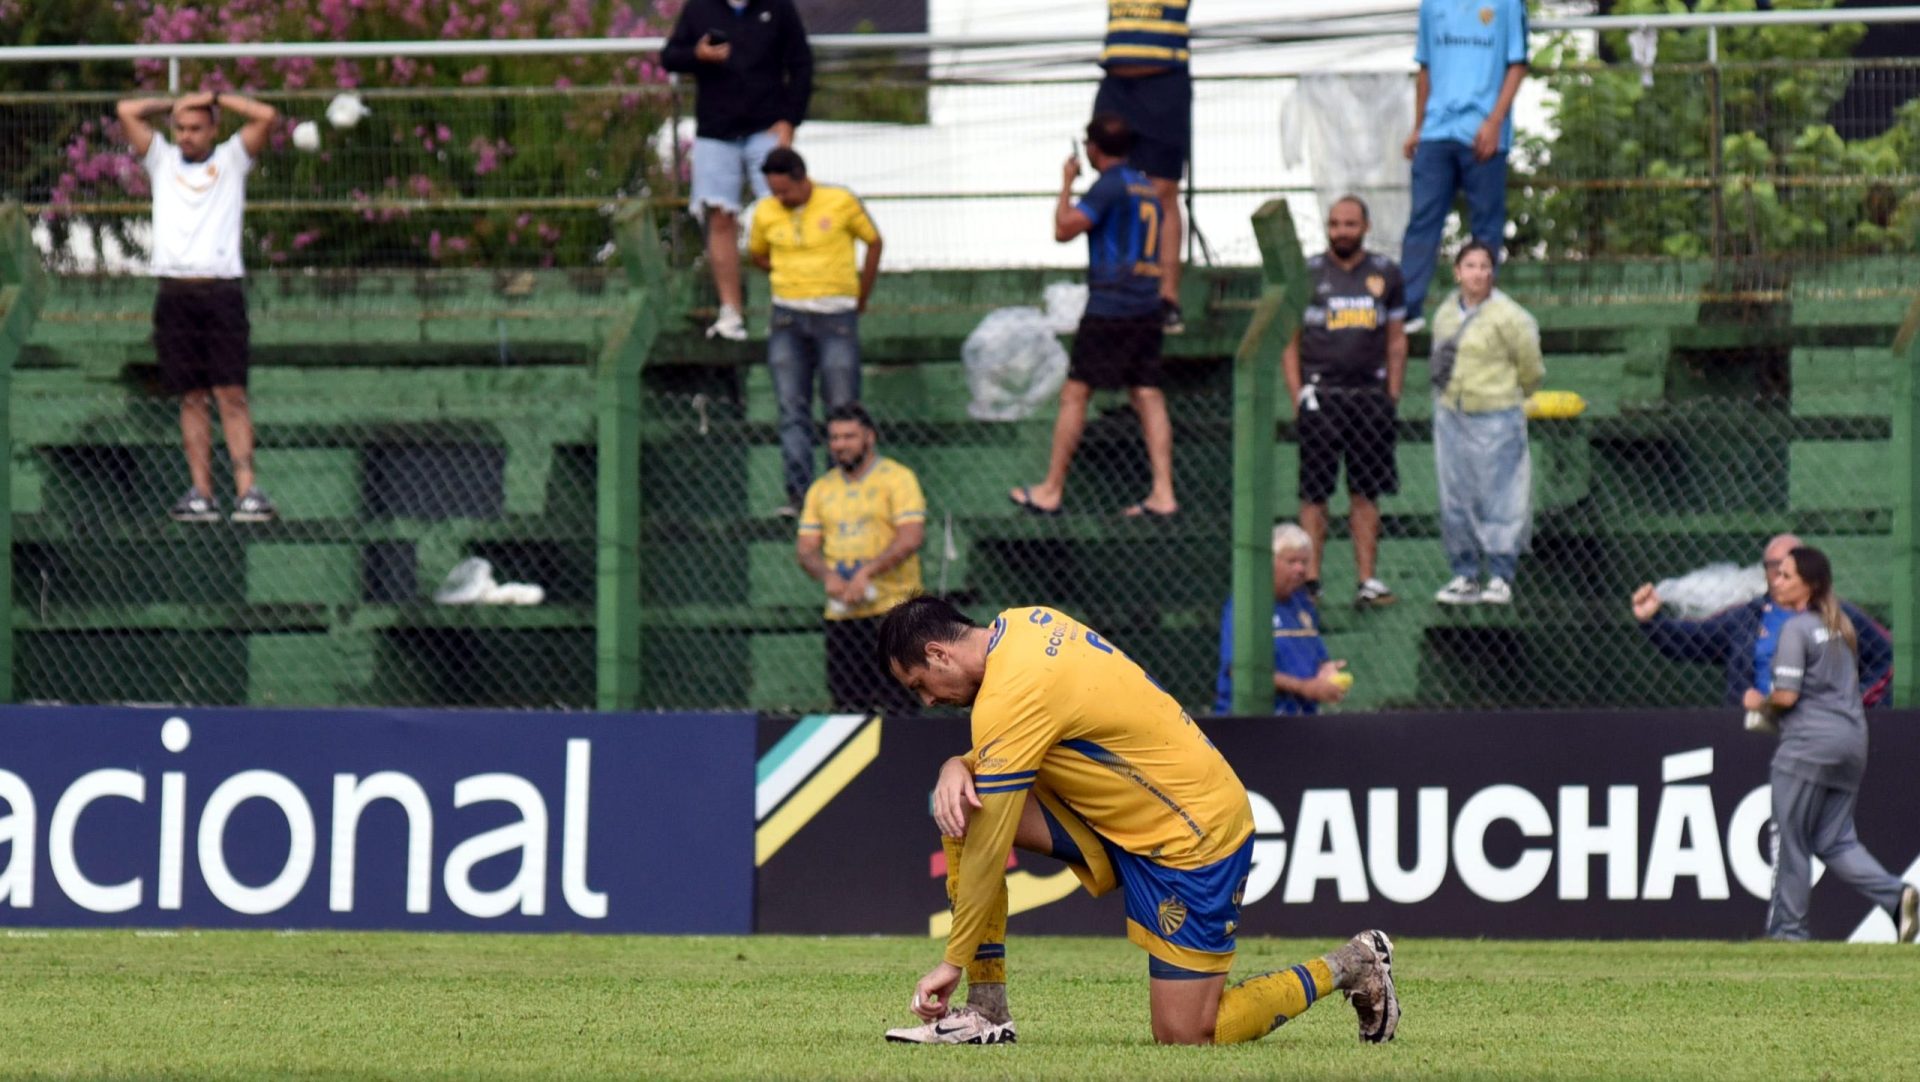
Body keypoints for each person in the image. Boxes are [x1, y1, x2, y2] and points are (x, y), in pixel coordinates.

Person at [874, 596, 1399, 1046]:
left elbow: (991, 845)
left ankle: (1354, 964)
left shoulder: (1012, 690)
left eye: (921, 685)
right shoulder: (1026, 623)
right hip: (1121, 819)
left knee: (1188, 1034)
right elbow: (1025, 732)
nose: (929, 701)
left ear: (938, 654)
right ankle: (986, 1013)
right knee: (964, 807)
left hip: (1193, 835)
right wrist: (957, 764)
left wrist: (953, 960)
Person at [115, 89, 280, 524]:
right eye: (181, 128)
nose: (186, 136)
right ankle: (201, 494)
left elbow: (266, 116)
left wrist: (217, 96)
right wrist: (173, 101)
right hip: (175, 293)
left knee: (231, 393)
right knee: (191, 396)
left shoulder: (230, 160)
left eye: (196, 128)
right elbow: (127, 110)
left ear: (213, 129)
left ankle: (247, 492)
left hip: (221, 291)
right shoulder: (162, 161)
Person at [1740, 547, 1918, 943]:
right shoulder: (1841, 626)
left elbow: (1786, 696)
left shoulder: (1797, 628)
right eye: (1777, 573)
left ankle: (1789, 932)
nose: (1776, 581)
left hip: (1807, 747)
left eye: (1786, 575)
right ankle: (1896, 896)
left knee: (1791, 840)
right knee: (1835, 840)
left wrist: (1758, 702)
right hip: (1851, 744)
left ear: (1810, 585)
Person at [1008, 113, 1177, 519]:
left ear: (1093, 148)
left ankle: (1051, 488)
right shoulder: (1145, 186)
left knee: (1076, 393)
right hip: (1147, 305)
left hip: (1111, 306)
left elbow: (1064, 229)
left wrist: (1067, 182)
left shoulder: (1109, 186)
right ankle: (1164, 492)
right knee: (1147, 393)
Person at [661, 0, 814, 342]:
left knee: (781, 214)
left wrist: (790, 120)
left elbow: (802, 64)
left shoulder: (778, 7)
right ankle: (731, 312)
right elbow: (670, 57)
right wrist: (698, 55)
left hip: (767, 130)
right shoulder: (699, 8)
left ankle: (788, 306)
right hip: (716, 132)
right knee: (720, 217)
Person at [1283, 195, 1407, 607]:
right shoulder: (1307, 274)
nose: (1341, 232)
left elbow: (1396, 340)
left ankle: (1367, 580)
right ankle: (1310, 582)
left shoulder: (1386, 273)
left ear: (1365, 227)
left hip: (1370, 398)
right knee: (1314, 495)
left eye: (1350, 224)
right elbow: (1289, 340)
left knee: (1365, 493)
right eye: (1334, 224)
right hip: (1321, 398)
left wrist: (1392, 394)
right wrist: (1298, 394)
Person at [748, 147, 883, 517]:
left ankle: (843, 492)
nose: (780, 198)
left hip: (836, 316)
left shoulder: (839, 201)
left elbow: (874, 241)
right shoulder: (765, 212)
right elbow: (757, 253)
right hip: (787, 318)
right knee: (792, 407)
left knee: (842, 408)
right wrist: (790, 273)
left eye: (785, 190)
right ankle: (801, 497)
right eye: (774, 191)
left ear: (802, 178)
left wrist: (861, 295)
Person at [1632, 534, 1892, 708]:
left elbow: (1885, 658)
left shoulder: (1838, 616)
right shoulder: (1746, 618)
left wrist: (1853, 701)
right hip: (1750, 731)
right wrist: (1653, 620)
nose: (1781, 573)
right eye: (1774, 565)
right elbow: (1691, 640)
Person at [1399, 0, 1529, 332]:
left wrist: (1494, 121)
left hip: (1483, 132)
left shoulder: (1507, 4)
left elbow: (1517, 64)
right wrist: (1418, 127)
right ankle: (1408, 310)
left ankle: (1480, 309)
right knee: (1423, 219)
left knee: (1486, 223)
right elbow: (1425, 69)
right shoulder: (1431, 6)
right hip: (1435, 132)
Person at [1429, 241, 1542, 606]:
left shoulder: (1511, 316)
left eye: (1484, 266)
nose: (1478, 273)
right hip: (1452, 414)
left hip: (1497, 415)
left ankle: (1500, 574)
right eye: (1470, 265)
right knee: (1455, 496)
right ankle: (1465, 573)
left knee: (1501, 496)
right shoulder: (1445, 314)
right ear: (1457, 272)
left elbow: (1531, 368)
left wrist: (1509, 394)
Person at [795, 403, 925, 715]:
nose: (840, 445)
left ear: (869, 437)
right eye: (834, 438)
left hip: (895, 611)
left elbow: (910, 537)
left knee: (900, 707)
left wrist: (867, 572)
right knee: (848, 711)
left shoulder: (898, 478)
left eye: (849, 436)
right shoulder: (821, 489)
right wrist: (828, 576)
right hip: (843, 614)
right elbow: (806, 549)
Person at [1093, 0, 1191, 333]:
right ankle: (1114, 289)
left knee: (1163, 190)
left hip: (1164, 80)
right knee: (1112, 185)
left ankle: (1167, 298)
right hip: (1116, 79)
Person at [1213, 523, 1347, 715]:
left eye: (1304, 562)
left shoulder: (1304, 605)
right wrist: (1303, 687)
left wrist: (1326, 671)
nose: (1300, 569)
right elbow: (1239, 671)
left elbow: (1318, 658)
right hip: (1250, 718)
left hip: (1300, 717)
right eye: (1291, 561)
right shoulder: (1245, 606)